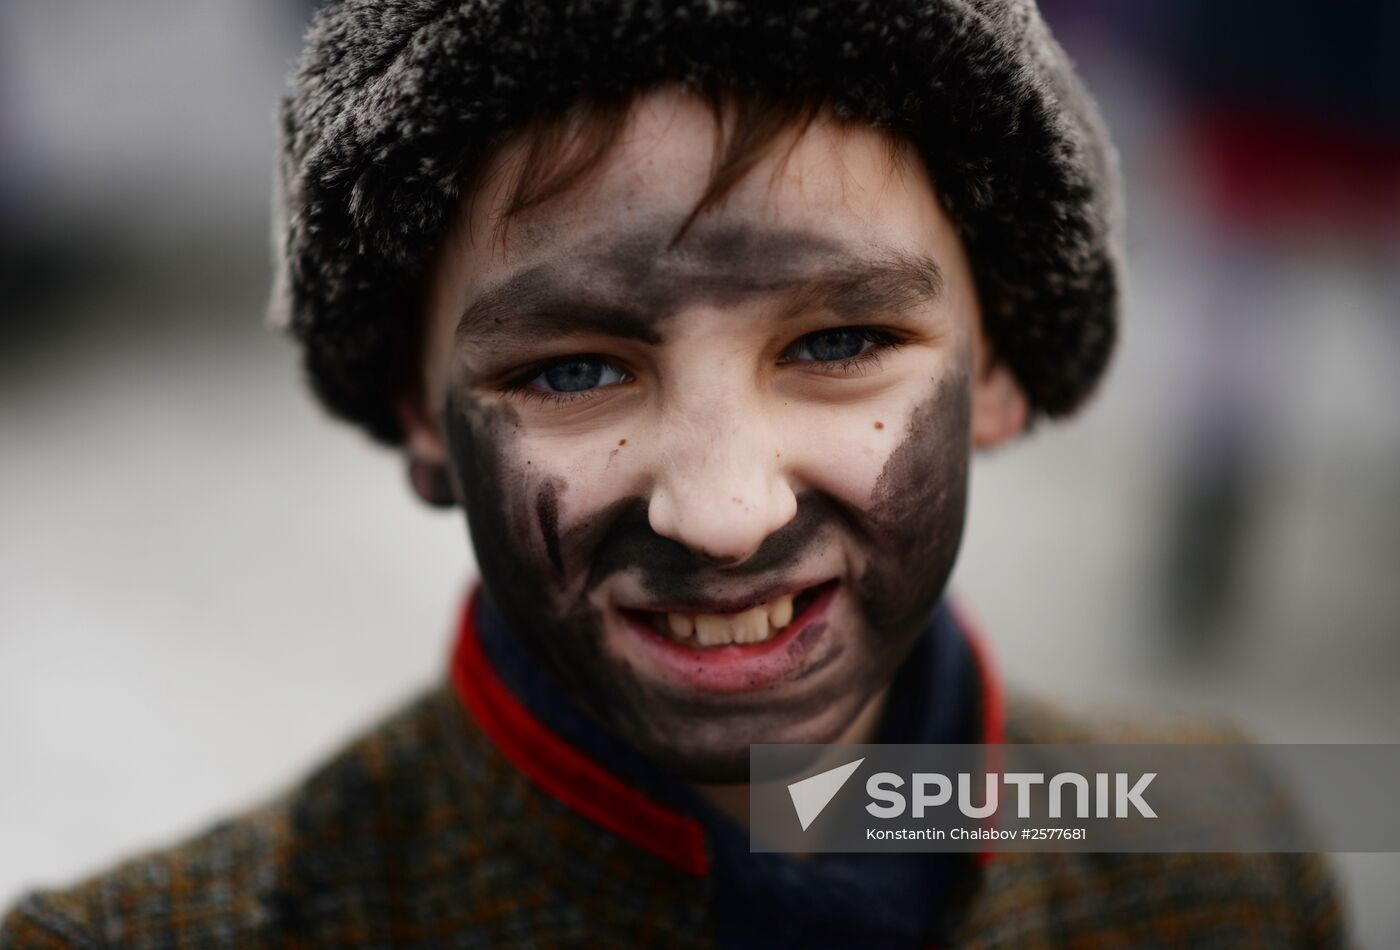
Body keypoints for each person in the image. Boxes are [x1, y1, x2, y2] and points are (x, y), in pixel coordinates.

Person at [1, 1, 1346, 946]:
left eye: (839, 342)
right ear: (420, 408)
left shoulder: (1219, 850)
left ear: (997, 367)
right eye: (574, 370)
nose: (721, 511)